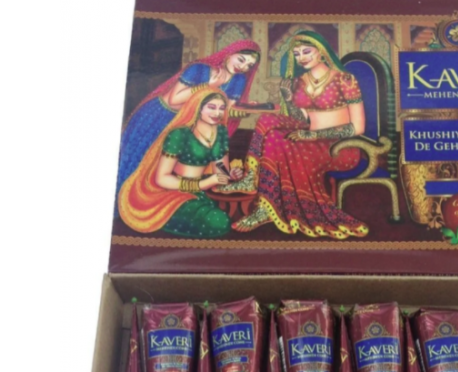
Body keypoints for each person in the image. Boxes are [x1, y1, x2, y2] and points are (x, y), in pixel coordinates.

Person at [219, 30, 368, 239]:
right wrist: (288, 100)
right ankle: (256, 188)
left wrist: (313, 136)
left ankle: (266, 205)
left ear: (321, 52)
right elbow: (303, 119)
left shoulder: (345, 79)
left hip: (338, 146)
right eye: (297, 54)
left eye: (307, 51)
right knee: (267, 122)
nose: (301, 58)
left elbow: (358, 127)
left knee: (282, 142)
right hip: (307, 136)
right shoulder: (299, 81)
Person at [116, 40, 260, 198]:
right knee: (140, 163)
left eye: (249, 65)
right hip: (160, 116)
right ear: (229, 54)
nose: (243, 66)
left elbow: (226, 110)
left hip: (185, 123)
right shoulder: (199, 69)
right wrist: (209, 85)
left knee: (163, 169)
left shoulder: (238, 80)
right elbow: (174, 100)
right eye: (241, 59)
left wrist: (245, 110)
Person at [117, 88, 244, 239]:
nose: (217, 113)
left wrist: (229, 175)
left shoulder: (220, 131)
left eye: (222, 108)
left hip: (202, 191)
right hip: (173, 193)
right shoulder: (180, 134)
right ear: (198, 107)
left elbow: (220, 168)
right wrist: (201, 184)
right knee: (218, 222)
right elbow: (162, 178)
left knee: (222, 219)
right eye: (211, 107)